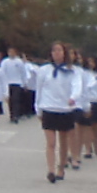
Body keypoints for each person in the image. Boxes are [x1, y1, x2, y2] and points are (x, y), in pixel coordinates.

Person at [33, 42, 84, 179]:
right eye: (54, 50)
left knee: (63, 142)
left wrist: (73, 97)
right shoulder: (44, 70)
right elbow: (39, 89)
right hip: (48, 108)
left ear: (64, 53)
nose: (56, 53)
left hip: (65, 109)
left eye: (59, 50)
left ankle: (61, 168)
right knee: (50, 142)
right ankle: (51, 170)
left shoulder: (72, 70)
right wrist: (38, 108)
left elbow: (77, 85)